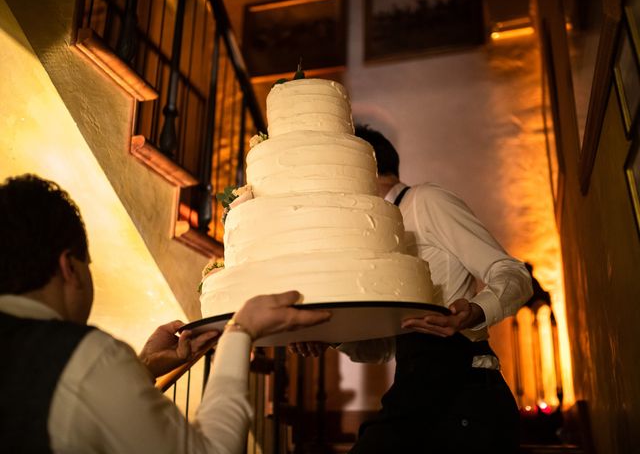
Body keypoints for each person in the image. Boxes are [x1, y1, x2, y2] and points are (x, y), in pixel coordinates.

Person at [0, 174, 330, 453]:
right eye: (88, 267)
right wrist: (240, 330)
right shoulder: (83, 358)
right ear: (68, 267)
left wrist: (144, 367)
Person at [290, 125, 533, 453]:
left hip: (464, 388)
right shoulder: (375, 235)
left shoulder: (426, 201)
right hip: (417, 382)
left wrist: (475, 310)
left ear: (364, 165)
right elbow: (384, 349)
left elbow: (513, 273)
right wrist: (334, 336)